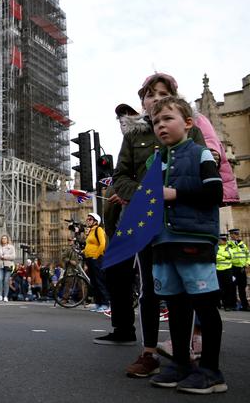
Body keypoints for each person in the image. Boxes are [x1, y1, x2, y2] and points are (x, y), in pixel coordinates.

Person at [97, 73, 208, 380]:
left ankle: (183, 355)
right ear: (142, 103)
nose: (156, 98)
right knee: (150, 287)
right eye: (150, 94)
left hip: (180, 217)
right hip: (145, 217)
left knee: (181, 286)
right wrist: (145, 197)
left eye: (163, 93)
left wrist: (174, 193)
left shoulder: (190, 130)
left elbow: (202, 166)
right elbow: (120, 176)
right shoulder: (134, 136)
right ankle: (148, 353)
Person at [144, 96, 226, 393]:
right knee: (176, 306)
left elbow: (214, 193)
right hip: (163, 241)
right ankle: (180, 363)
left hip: (193, 238)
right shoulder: (155, 160)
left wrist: (174, 193)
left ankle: (212, 371)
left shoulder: (200, 154)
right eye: (155, 122)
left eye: (167, 119)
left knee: (204, 306)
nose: (161, 126)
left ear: (188, 124)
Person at [83, 213, 109, 312]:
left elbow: (102, 244)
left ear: (95, 221)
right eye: (87, 219)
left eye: (90, 219)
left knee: (99, 281)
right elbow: (88, 246)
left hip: (97, 259)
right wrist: (83, 252)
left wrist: (96, 255)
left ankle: (105, 303)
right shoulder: (90, 232)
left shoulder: (98, 230)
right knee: (93, 282)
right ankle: (98, 303)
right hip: (90, 259)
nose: (88, 221)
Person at [227, 228, 248, 311]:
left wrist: (247, 263)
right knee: (232, 288)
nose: (237, 236)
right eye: (235, 234)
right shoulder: (228, 245)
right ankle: (233, 305)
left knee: (242, 288)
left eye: (237, 234)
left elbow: (248, 255)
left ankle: (244, 306)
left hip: (242, 269)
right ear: (231, 235)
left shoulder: (243, 245)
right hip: (233, 269)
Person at [214, 234, 235, 310]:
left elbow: (231, 256)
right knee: (220, 288)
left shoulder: (228, 247)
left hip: (227, 270)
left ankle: (227, 305)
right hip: (218, 270)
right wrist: (224, 256)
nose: (223, 241)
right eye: (222, 240)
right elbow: (215, 256)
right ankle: (220, 303)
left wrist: (220, 256)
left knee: (228, 288)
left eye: (224, 240)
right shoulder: (216, 247)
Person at [0, 235, 16, 302]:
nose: (4, 240)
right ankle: (0, 295)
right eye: (3, 238)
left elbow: (13, 256)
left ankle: (5, 296)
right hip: (0, 265)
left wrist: (5, 257)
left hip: (8, 265)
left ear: (7, 240)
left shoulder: (11, 247)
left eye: (5, 238)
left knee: (6, 281)